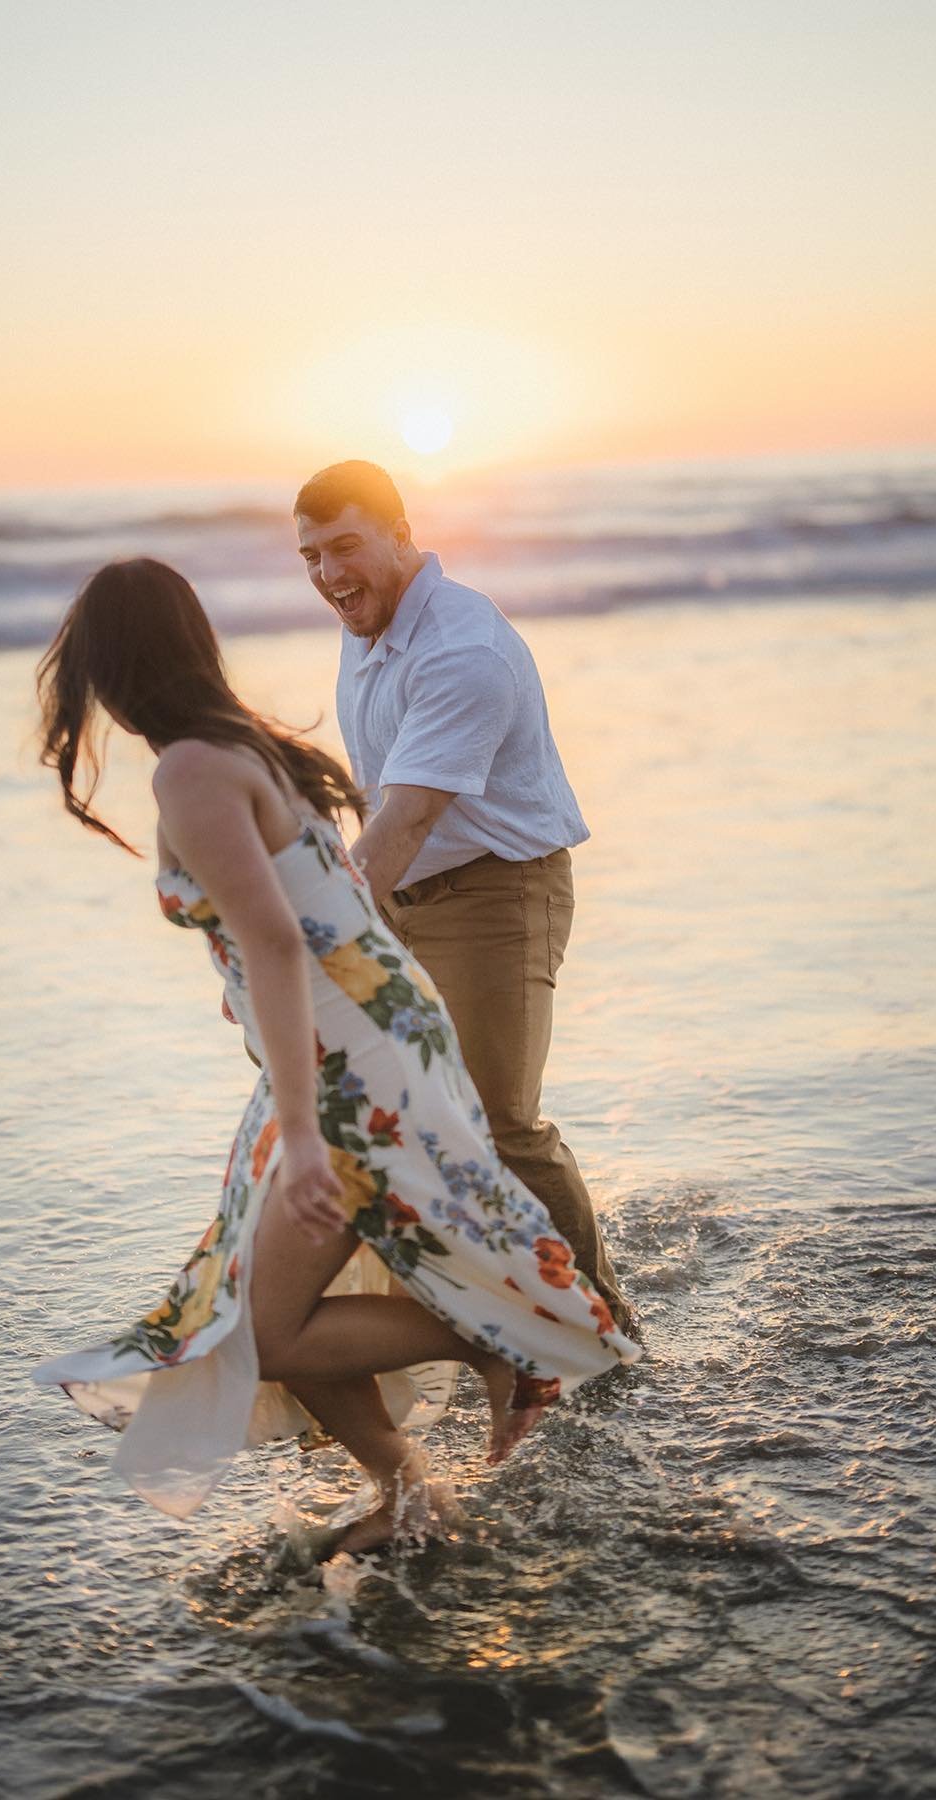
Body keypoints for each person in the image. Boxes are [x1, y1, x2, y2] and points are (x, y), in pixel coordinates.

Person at [30, 558, 640, 1555]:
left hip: (348, 1068)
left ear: (109, 669)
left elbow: (275, 940)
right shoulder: (244, 746)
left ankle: (493, 1343)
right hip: (361, 1038)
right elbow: (325, 916)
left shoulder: (189, 767)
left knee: (263, 1329)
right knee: (250, 1307)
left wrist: (306, 1134)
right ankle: (407, 1489)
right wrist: (273, 1034)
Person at [293, 461, 637, 1339]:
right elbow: (378, 793)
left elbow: (404, 818)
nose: (329, 576)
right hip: (401, 894)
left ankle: (604, 1324)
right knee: (402, 1118)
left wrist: (309, 948)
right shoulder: (369, 621)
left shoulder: (462, 650)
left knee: (500, 1124)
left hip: (497, 894)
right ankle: (479, 1317)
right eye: (310, 557)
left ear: (402, 535)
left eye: (345, 548)